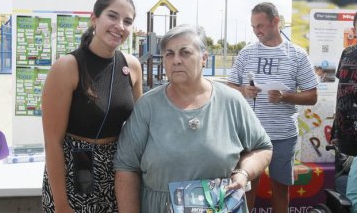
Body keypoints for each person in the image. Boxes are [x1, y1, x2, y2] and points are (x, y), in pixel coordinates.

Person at [114, 24, 273, 213]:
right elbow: (126, 167)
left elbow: (262, 148)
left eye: (185, 52)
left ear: (204, 58)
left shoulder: (231, 100)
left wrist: (244, 173)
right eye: (169, 54)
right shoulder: (147, 106)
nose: (176, 60)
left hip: (219, 206)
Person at [41, 0, 143, 213]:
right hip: (73, 170)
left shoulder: (132, 66)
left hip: (118, 171)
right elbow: (52, 142)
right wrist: (61, 205)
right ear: (94, 18)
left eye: (127, 21)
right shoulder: (67, 67)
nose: (120, 26)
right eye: (112, 16)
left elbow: (141, 126)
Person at [227, 2, 318, 212]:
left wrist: (284, 97)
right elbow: (230, 86)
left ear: (276, 21)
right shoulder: (246, 53)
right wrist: (243, 91)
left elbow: (312, 96)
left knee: (280, 188)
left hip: (283, 135)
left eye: (260, 25)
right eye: (253, 27)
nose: (256, 31)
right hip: (250, 134)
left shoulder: (297, 54)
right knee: (246, 187)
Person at [330, 42, 357, 212]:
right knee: (351, 192)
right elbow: (342, 93)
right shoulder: (347, 52)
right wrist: (336, 129)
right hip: (347, 135)